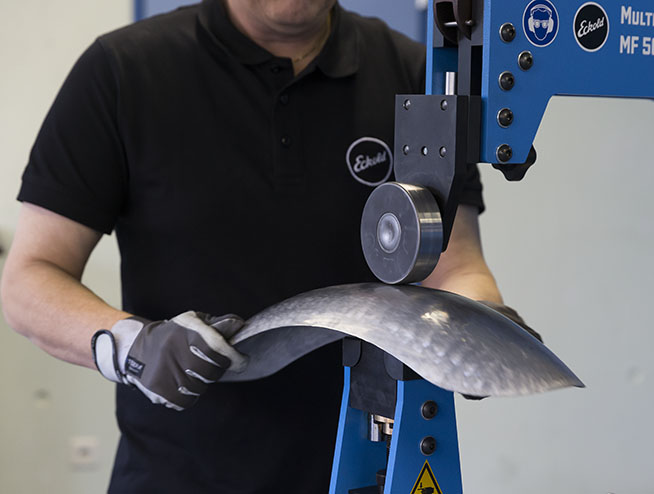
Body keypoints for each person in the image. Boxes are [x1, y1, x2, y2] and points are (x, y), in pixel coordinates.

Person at [0, 0, 503, 491]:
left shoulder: (411, 73)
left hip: (366, 468)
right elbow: (30, 279)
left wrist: (484, 328)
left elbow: (457, 267)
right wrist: (133, 345)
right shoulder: (123, 71)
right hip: (179, 474)